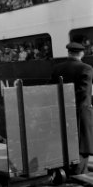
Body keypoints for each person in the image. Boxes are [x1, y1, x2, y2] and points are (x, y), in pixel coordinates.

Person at [51, 42, 93, 174]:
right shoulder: (86, 68)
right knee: (82, 144)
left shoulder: (57, 68)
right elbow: (84, 93)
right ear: (81, 53)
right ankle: (79, 173)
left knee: (66, 143)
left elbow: (52, 90)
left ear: (68, 53)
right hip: (79, 112)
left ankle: (67, 170)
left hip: (61, 112)